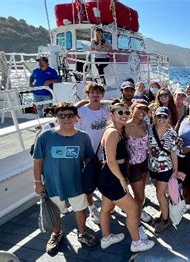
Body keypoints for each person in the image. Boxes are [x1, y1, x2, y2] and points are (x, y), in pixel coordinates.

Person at [32, 102, 97, 254]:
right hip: (53, 184)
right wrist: (37, 182)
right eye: (62, 116)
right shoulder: (45, 136)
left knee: (80, 210)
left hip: (77, 183)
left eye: (70, 115)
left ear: (76, 118)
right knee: (55, 211)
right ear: (56, 118)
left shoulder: (83, 137)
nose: (66, 119)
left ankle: (82, 233)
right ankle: (56, 234)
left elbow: (89, 158)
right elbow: (37, 160)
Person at [97, 102, 155, 252]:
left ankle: (106, 238)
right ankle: (137, 243)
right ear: (112, 114)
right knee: (134, 209)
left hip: (108, 178)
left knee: (106, 208)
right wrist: (122, 179)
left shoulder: (117, 130)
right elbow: (110, 160)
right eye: (120, 112)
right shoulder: (113, 133)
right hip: (113, 179)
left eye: (126, 113)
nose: (124, 115)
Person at [75, 82, 109, 224]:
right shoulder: (81, 112)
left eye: (98, 93)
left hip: (103, 153)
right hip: (87, 154)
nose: (95, 96)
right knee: (88, 184)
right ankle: (91, 207)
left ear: (102, 95)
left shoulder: (106, 111)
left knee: (104, 181)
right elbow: (76, 133)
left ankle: (107, 206)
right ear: (88, 94)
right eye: (92, 93)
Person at [148, 107, 179, 232]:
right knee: (160, 193)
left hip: (165, 168)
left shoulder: (171, 133)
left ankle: (165, 220)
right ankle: (163, 212)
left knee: (160, 193)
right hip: (152, 166)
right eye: (159, 116)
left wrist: (175, 170)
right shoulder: (150, 129)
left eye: (164, 116)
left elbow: (173, 153)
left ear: (168, 119)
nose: (161, 119)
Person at [126, 101, 152, 223]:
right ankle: (136, 218)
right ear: (132, 109)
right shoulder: (125, 126)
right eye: (139, 108)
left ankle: (138, 211)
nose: (142, 111)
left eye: (145, 109)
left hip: (144, 163)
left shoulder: (145, 124)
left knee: (141, 192)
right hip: (133, 167)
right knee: (140, 196)